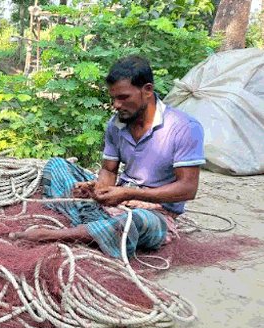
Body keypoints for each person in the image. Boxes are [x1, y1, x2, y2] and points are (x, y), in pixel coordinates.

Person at [21, 55, 205, 258]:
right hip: (118, 201)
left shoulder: (184, 127)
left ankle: (58, 235)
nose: (116, 105)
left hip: (155, 213)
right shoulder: (116, 125)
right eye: (113, 98)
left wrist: (128, 194)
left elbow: (188, 188)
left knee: (136, 222)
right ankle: (97, 227)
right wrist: (99, 189)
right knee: (56, 166)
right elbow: (109, 170)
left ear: (147, 90)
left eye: (124, 98)